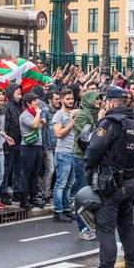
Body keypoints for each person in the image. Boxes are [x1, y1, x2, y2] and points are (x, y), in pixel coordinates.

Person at [80, 87, 134, 268]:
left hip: (110, 185)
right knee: (128, 228)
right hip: (128, 182)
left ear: (110, 102)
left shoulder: (110, 123)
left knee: (105, 230)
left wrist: (89, 166)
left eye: (105, 101)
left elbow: (94, 149)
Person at [72, 90, 101, 239]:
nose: (99, 100)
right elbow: (86, 137)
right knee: (82, 194)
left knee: (92, 193)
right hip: (80, 157)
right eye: (96, 98)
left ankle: (92, 225)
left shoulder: (95, 115)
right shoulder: (83, 115)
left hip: (91, 158)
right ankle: (82, 228)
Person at [52, 86, 77, 222]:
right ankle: (58, 211)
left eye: (72, 98)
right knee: (61, 184)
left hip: (73, 152)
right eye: (67, 99)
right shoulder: (59, 115)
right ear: (62, 100)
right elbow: (58, 134)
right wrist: (72, 123)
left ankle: (67, 209)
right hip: (63, 153)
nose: (70, 101)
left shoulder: (73, 112)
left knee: (69, 184)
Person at [19, 92, 44, 210]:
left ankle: (33, 198)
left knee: (35, 173)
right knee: (26, 173)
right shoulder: (25, 115)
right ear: (28, 103)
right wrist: (39, 114)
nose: (37, 103)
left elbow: (41, 126)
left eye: (37, 100)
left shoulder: (36, 113)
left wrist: (41, 119)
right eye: (34, 101)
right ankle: (24, 200)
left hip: (38, 145)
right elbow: (34, 125)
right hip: (28, 146)